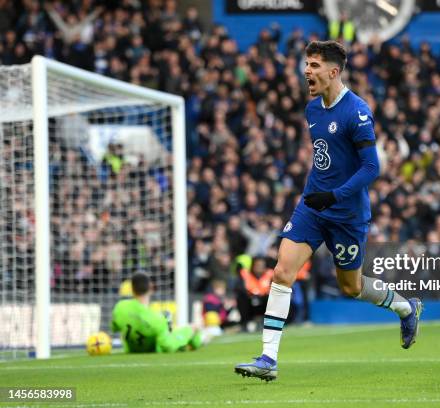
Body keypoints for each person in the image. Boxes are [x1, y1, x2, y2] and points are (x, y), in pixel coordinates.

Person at [234, 41, 422, 382]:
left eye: (315, 65)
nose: (307, 71)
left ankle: (405, 307)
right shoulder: (312, 110)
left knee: (350, 287)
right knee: (281, 273)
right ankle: (267, 358)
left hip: (346, 214)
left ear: (333, 72)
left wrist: (334, 196)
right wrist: (316, 194)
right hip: (312, 207)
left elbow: (371, 168)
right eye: (306, 64)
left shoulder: (357, 112)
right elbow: (325, 159)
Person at [111, 272, 202, 353]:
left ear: (132, 288)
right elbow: (168, 346)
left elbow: (114, 328)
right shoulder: (157, 319)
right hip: (152, 351)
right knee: (191, 329)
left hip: (130, 350)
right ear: (151, 288)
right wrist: (188, 331)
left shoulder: (120, 307)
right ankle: (197, 335)